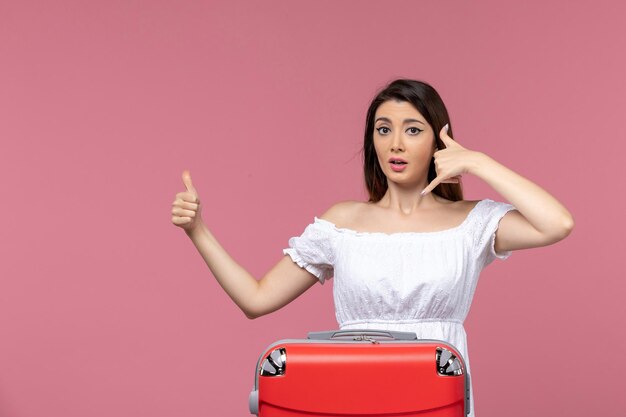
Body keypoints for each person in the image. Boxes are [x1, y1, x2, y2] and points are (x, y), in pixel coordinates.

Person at [170, 79, 574, 416]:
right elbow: (255, 300)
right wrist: (198, 230)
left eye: (412, 129)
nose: (395, 143)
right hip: (349, 394)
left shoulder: (471, 223)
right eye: (384, 129)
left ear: (440, 140)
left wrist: (478, 162)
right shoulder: (341, 222)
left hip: (435, 399)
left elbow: (557, 223)